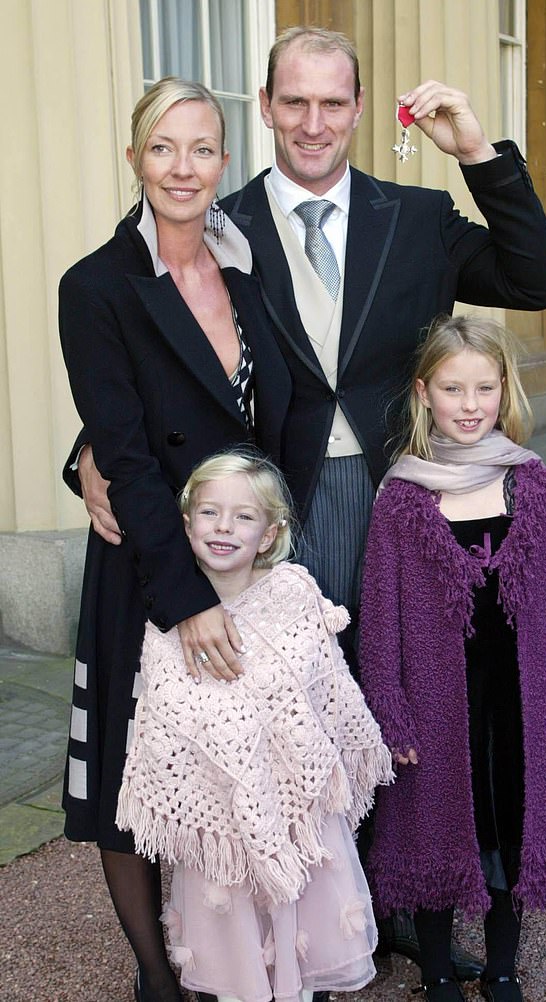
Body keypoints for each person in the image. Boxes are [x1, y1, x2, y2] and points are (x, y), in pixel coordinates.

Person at [71, 24, 546, 981]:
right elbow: (151, 356)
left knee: (401, 708)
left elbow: (538, 280)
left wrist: (476, 152)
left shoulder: (420, 217)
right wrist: (84, 454)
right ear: (264, 108)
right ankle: (285, 926)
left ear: (356, 108)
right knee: (286, 713)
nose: (312, 122)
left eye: (332, 102)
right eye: (292, 102)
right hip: (272, 512)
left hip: (403, 503)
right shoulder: (223, 219)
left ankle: (401, 903)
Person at [58, 79, 291, 1002]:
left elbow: (281, 406)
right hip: (149, 560)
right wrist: (184, 599)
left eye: (201, 149)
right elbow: (121, 448)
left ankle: (228, 953)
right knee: (128, 772)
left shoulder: (246, 269)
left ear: (224, 163)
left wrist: (276, 538)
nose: (183, 168)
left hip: (247, 556)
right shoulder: (97, 286)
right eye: (163, 148)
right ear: (134, 160)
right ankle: (158, 976)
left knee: (225, 765)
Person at [357, 314, 546, 1002]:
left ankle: (501, 967)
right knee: (433, 832)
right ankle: (437, 968)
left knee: (511, 832)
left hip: (515, 700)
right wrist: (391, 712)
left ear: (506, 392)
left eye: (485, 388)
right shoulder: (403, 497)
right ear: (423, 393)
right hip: (435, 706)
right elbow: (381, 615)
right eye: (453, 388)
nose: (470, 405)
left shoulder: (529, 484)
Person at [115, 449, 394, 1002]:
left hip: (301, 817)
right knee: (236, 960)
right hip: (221, 824)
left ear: (269, 534)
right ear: (186, 523)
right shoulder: (170, 620)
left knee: (303, 945)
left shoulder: (294, 596)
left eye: (243, 516)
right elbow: (164, 725)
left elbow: (330, 695)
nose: (224, 527)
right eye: (209, 513)